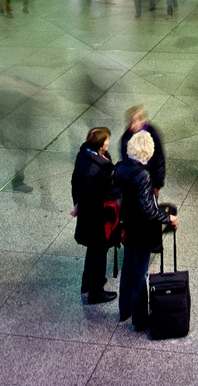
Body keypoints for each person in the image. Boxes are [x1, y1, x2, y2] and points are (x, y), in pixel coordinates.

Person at [114, 130, 178, 331]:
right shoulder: (143, 176)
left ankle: (125, 310)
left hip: (127, 227)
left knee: (127, 269)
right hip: (141, 231)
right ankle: (140, 319)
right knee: (140, 274)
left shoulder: (121, 168)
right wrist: (169, 218)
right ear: (147, 152)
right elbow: (148, 210)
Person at [72, 127, 118, 304]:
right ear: (100, 144)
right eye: (107, 140)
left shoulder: (83, 155)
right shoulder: (96, 169)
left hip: (87, 215)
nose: (108, 142)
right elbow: (101, 192)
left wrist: (76, 204)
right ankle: (96, 292)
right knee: (98, 252)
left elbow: (75, 182)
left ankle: (87, 283)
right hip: (97, 218)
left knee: (93, 250)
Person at [120, 106, 166, 194]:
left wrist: (158, 184)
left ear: (142, 120)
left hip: (150, 178)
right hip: (134, 181)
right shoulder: (126, 137)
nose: (133, 125)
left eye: (136, 120)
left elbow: (159, 159)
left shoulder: (152, 133)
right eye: (131, 121)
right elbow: (126, 160)